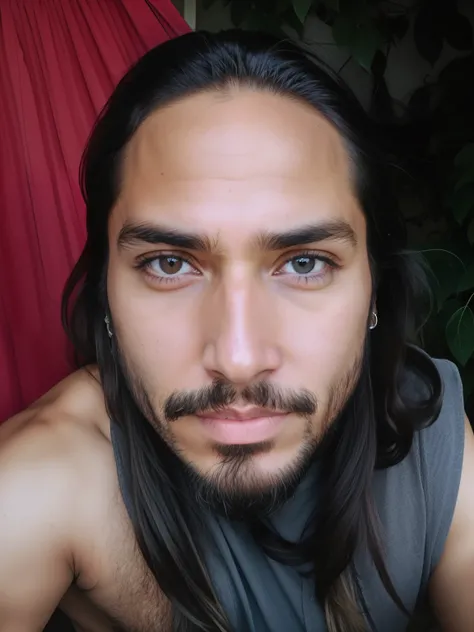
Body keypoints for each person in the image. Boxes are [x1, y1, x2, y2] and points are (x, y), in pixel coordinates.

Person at [0, 29, 473, 632]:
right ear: (107, 297)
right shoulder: (39, 488)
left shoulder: (426, 429)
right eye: (170, 264)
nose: (240, 358)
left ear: (373, 291)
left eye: (304, 263)